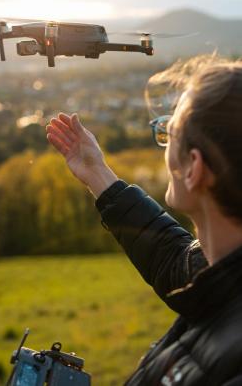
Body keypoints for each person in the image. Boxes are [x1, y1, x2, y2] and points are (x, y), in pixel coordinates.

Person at [45, 56, 242, 385]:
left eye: (170, 133)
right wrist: (97, 174)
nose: (163, 147)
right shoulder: (221, 267)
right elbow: (173, 259)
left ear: (194, 168)